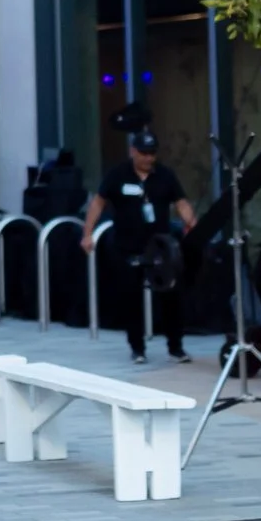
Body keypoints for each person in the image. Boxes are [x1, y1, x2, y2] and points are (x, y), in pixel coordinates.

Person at [81, 128, 197, 364]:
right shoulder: (118, 174)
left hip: (160, 247)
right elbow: (98, 203)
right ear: (133, 151)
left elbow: (181, 202)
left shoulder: (165, 175)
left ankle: (176, 347)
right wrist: (87, 233)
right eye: (144, 153)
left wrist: (191, 223)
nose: (148, 158)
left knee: (171, 297)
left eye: (152, 153)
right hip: (127, 246)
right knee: (131, 298)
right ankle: (137, 348)